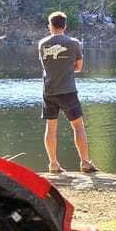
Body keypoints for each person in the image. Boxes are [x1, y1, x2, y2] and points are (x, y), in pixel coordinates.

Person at [38, 11, 98, 173]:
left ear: (50, 26)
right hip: (68, 91)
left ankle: (53, 164)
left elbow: (47, 66)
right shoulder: (74, 43)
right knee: (78, 127)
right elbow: (78, 67)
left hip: (49, 91)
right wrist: (67, 69)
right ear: (65, 26)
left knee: (50, 128)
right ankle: (85, 162)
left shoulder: (42, 44)